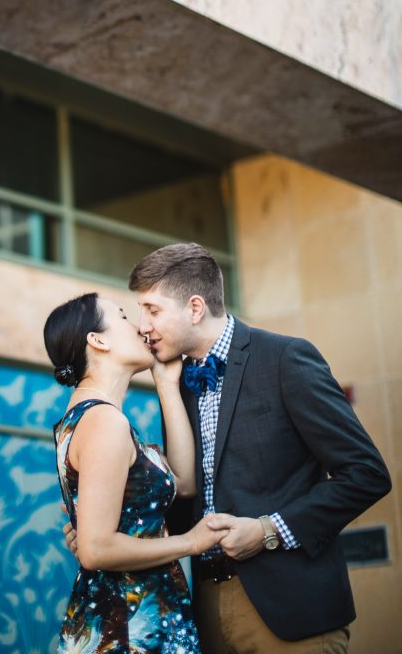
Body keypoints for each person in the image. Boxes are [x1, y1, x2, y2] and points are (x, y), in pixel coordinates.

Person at [62, 242, 390, 654]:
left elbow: (366, 473)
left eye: (152, 310)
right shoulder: (174, 382)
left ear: (195, 308)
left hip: (292, 612)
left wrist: (269, 530)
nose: (143, 325)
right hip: (205, 612)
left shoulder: (286, 359)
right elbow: (185, 505)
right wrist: (104, 530)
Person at [44, 291, 231, 653]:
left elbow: (185, 483)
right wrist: (192, 542)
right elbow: (96, 550)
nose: (141, 327)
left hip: (132, 617)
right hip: (128, 626)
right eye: (123, 317)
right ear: (97, 341)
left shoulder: (89, 417)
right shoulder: (103, 421)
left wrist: (166, 385)